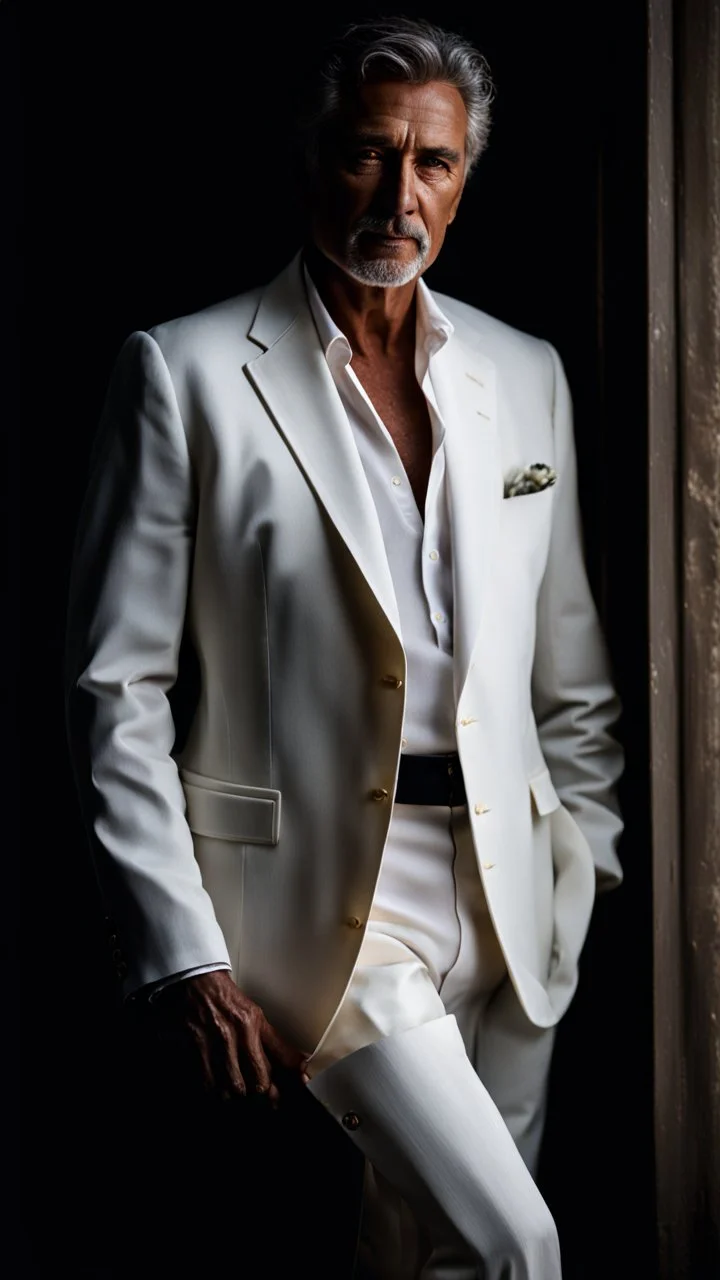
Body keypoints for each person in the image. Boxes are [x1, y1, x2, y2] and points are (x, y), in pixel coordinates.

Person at [65, 15, 625, 1279]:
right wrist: (182, 953)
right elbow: (117, 683)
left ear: (465, 176)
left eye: (433, 163)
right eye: (370, 154)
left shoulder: (522, 373)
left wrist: (581, 864)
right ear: (314, 156)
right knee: (516, 1242)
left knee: (419, 1252)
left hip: (517, 891)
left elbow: (570, 671)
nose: (399, 194)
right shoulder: (187, 371)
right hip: (325, 902)